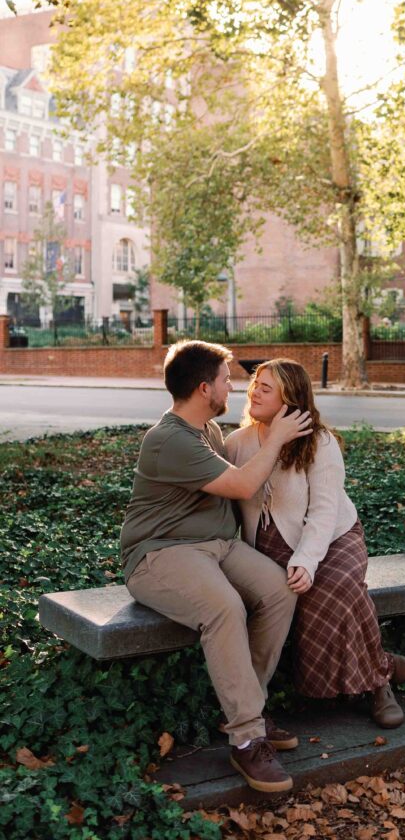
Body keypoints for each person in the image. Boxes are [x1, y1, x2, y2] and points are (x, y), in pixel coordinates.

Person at [120, 340, 313, 794]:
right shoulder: (169, 439)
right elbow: (245, 484)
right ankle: (247, 736)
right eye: (227, 380)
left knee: (279, 589)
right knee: (224, 608)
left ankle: (248, 706)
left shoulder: (206, 431)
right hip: (160, 554)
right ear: (206, 388)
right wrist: (281, 435)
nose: (234, 386)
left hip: (216, 546)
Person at [226, 358, 405, 728]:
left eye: (266, 387)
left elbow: (325, 510)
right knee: (303, 595)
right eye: (255, 384)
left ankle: (378, 685)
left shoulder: (319, 441)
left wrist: (307, 560)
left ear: (289, 399)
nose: (254, 391)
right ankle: (385, 664)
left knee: (338, 586)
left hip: (334, 537)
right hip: (268, 547)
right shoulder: (236, 443)